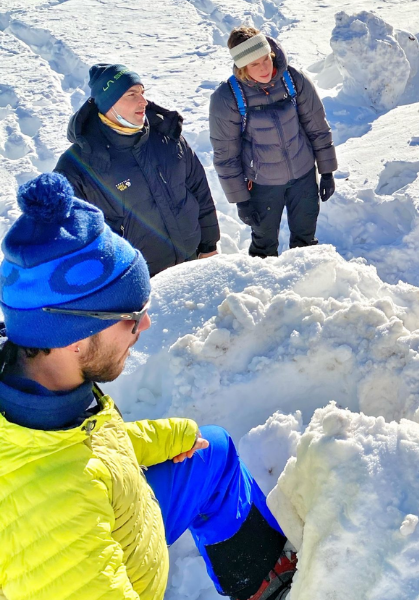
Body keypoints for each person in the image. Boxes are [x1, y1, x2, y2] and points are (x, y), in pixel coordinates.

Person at [0, 173, 293, 600]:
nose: (146, 324)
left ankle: (263, 584)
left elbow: (89, 445)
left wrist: (175, 436)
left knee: (212, 450)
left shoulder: (46, 382)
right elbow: (68, 475)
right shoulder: (54, 514)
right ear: (75, 338)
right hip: (110, 554)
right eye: (132, 316)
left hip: (123, 513)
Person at [55, 64, 220, 277]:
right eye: (131, 94)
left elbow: (199, 191)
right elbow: (73, 239)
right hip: (137, 282)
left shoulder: (167, 136)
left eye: (142, 92)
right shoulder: (78, 165)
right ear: (108, 103)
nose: (143, 101)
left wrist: (209, 245)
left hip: (192, 262)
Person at [209, 26, 337, 257]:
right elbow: (226, 155)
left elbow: (317, 127)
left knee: (306, 240)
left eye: (266, 59)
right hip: (262, 184)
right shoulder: (226, 98)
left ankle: (309, 282)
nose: (265, 68)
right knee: (264, 245)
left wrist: (327, 171)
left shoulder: (293, 79)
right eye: (254, 64)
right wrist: (241, 200)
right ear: (242, 67)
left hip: (303, 175)